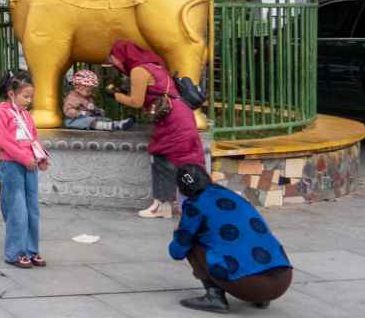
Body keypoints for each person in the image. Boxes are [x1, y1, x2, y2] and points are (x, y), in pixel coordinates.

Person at [169, 164, 292, 313]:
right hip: (284, 278)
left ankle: (215, 297)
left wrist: (178, 233)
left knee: (189, 240)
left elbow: (177, 252)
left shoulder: (195, 205)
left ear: (181, 189)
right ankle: (261, 299)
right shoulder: (235, 197)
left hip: (250, 285)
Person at [108, 39, 205, 218]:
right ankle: (185, 204)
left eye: (113, 58)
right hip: (182, 115)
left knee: (161, 159)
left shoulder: (139, 70)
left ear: (123, 55)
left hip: (173, 120)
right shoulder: (155, 67)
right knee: (185, 159)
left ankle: (161, 206)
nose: (113, 63)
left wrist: (117, 95)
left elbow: (136, 102)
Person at [0, 69, 48, 269]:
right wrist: (25, 158)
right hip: (12, 166)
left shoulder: (26, 115)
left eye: (30, 97)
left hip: (29, 166)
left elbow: (33, 138)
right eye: (25, 96)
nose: (28, 101)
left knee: (32, 210)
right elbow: (3, 141)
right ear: (11, 94)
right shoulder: (1, 112)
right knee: (17, 210)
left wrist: (40, 157)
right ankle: (15, 252)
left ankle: (31, 250)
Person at [63, 69, 135, 131]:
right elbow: (67, 110)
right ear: (78, 88)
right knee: (89, 121)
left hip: (88, 117)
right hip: (74, 121)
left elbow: (90, 108)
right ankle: (110, 126)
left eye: (91, 91)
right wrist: (80, 113)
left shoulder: (87, 97)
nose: (90, 93)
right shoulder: (72, 98)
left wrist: (97, 110)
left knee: (102, 119)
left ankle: (117, 124)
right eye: (88, 91)